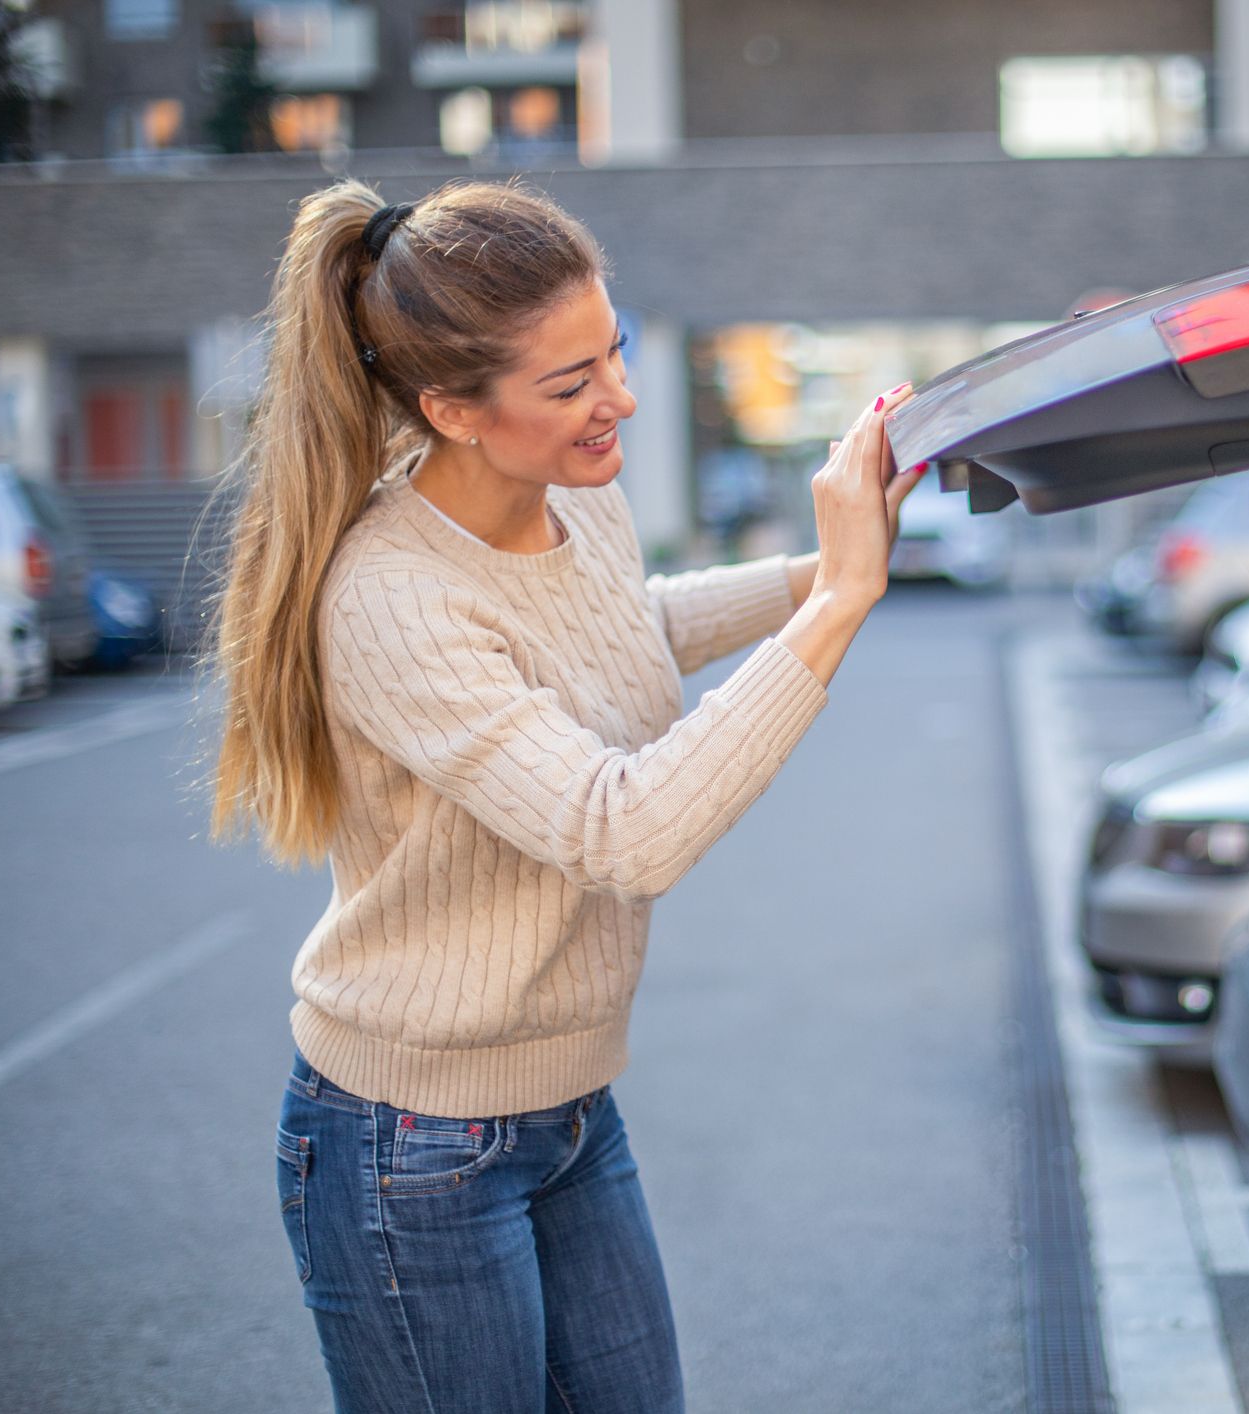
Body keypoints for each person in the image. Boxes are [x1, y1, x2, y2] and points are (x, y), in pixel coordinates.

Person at [199, 175, 928, 1412]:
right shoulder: (389, 598)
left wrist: (817, 571)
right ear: (452, 408)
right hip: (412, 1142)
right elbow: (621, 828)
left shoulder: (574, 510)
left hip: (568, 1110)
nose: (621, 401)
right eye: (571, 382)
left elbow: (612, 641)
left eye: (615, 353)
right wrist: (843, 606)